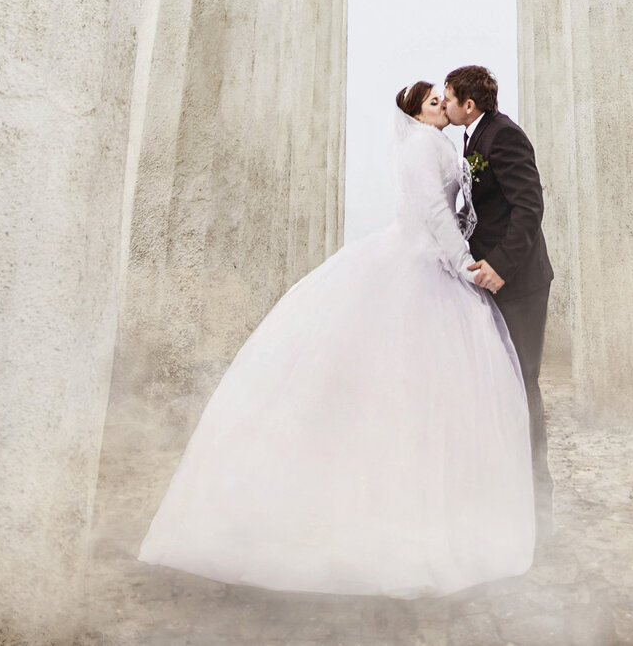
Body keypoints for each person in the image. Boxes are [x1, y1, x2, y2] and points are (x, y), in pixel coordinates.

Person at [137, 82, 534, 598]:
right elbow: (434, 214)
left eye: (443, 99)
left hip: (434, 260)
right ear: (415, 114)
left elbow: (458, 207)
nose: (441, 105)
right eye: (432, 102)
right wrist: (463, 263)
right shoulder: (420, 146)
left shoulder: (440, 143)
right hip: (423, 263)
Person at [443, 65, 554, 537]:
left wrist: (502, 266)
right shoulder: (474, 138)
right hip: (492, 282)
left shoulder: (504, 135)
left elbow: (529, 206)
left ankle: (538, 503)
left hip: (520, 284)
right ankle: (506, 493)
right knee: (498, 382)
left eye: (448, 97)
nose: (445, 105)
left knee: (522, 382)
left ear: (468, 104)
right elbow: (483, 209)